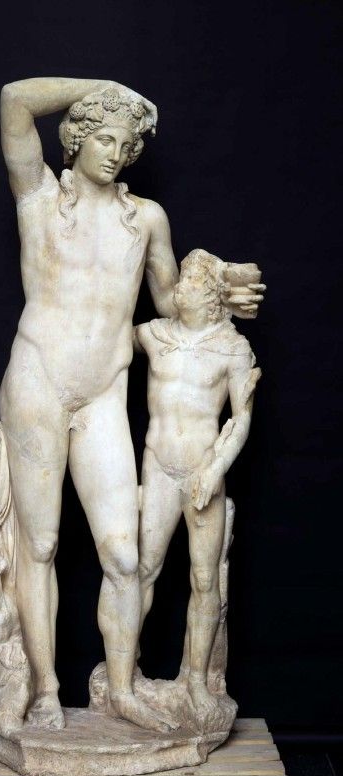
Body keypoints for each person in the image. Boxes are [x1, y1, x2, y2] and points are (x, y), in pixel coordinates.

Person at [0, 77, 264, 731]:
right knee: (41, 542)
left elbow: (171, 300)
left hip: (103, 393)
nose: (117, 154)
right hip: (37, 379)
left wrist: (223, 290)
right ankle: (45, 689)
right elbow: (14, 101)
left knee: (122, 556)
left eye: (127, 145)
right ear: (77, 138)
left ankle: (121, 688)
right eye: (105, 139)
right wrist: (103, 87)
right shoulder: (39, 196)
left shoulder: (145, 218)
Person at [135, 248, 261, 716]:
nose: (176, 289)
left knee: (205, 578)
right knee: (143, 569)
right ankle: (126, 673)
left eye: (187, 281)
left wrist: (214, 469)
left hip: (203, 472)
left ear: (210, 296)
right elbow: (103, 340)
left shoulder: (233, 348)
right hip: (158, 466)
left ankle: (196, 681)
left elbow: (241, 418)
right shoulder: (154, 335)